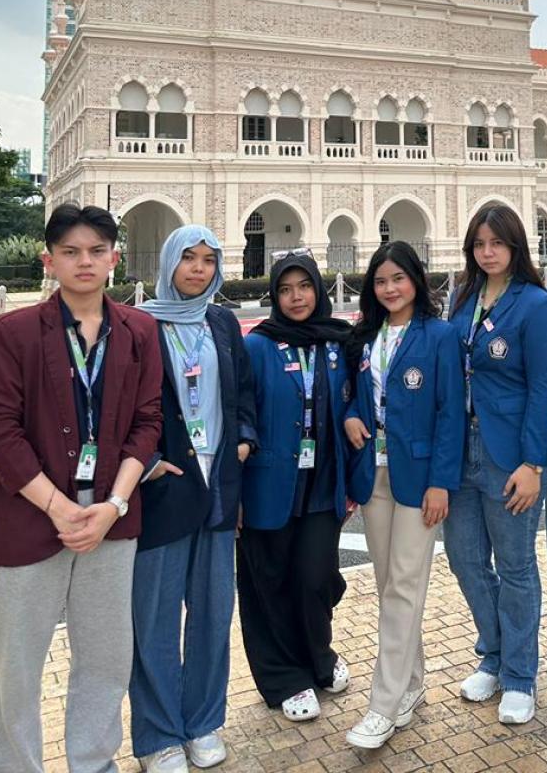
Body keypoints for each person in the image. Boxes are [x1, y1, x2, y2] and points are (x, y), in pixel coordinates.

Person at [0, 204, 162, 773]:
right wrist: (59, 508)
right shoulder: (12, 332)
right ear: (48, 260)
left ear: (114, 258)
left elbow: (148, 422)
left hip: (111, 521)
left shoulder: (138, 330)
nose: (86, 262)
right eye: (72, 251)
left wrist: (113, 506)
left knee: (104, 658)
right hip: (33, 519)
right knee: (17, 665)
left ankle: (94, 762)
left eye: (97, 251)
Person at [129, 225, 257, 773]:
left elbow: (243, 390)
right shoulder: (140, 324)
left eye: (209, 260)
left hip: (219, 484)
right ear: (168, 263)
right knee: (154, 618)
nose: (199, 270)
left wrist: (246, 439)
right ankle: (159, 735)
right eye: (188, 259)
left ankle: (204, 722)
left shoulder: (222, 321)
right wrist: (147, 462)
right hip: (165, 488)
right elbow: (125, 403)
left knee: (212, 613)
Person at [443, 203, 547, 725]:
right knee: (466, 559)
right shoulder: (463, 296)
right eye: (479, 244)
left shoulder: (534, 304)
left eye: (497, 243)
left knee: (514, 567)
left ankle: (519, 674)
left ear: (515, 246)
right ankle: (491, 654)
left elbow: (543, 387)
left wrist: (533, 462)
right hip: (460, 449)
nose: (487, 253)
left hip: (509, 454)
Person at [343, 241, 464, 749]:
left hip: (420, 480)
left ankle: (383, 703)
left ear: (416, 280)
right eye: (380, 281)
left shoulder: (439, 337)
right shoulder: (366, 335)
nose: (390, 289)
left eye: (398, 278)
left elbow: (450, 412)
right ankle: (411, 683)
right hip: (376, 477)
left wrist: (441, 482)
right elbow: (357, 394)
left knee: (405, 587)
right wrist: (352, 413)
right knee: (390, 581)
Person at [236, 251, 354, 723]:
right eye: (285, 289)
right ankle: (285, 676)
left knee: (314, 579)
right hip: (268, 485)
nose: (296, 297)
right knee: (269, 583)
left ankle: (319, 658)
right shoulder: (258, 345)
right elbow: (241, 411)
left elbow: (354, 401)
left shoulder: (336, 344)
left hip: (323, 485)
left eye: (304, 286)